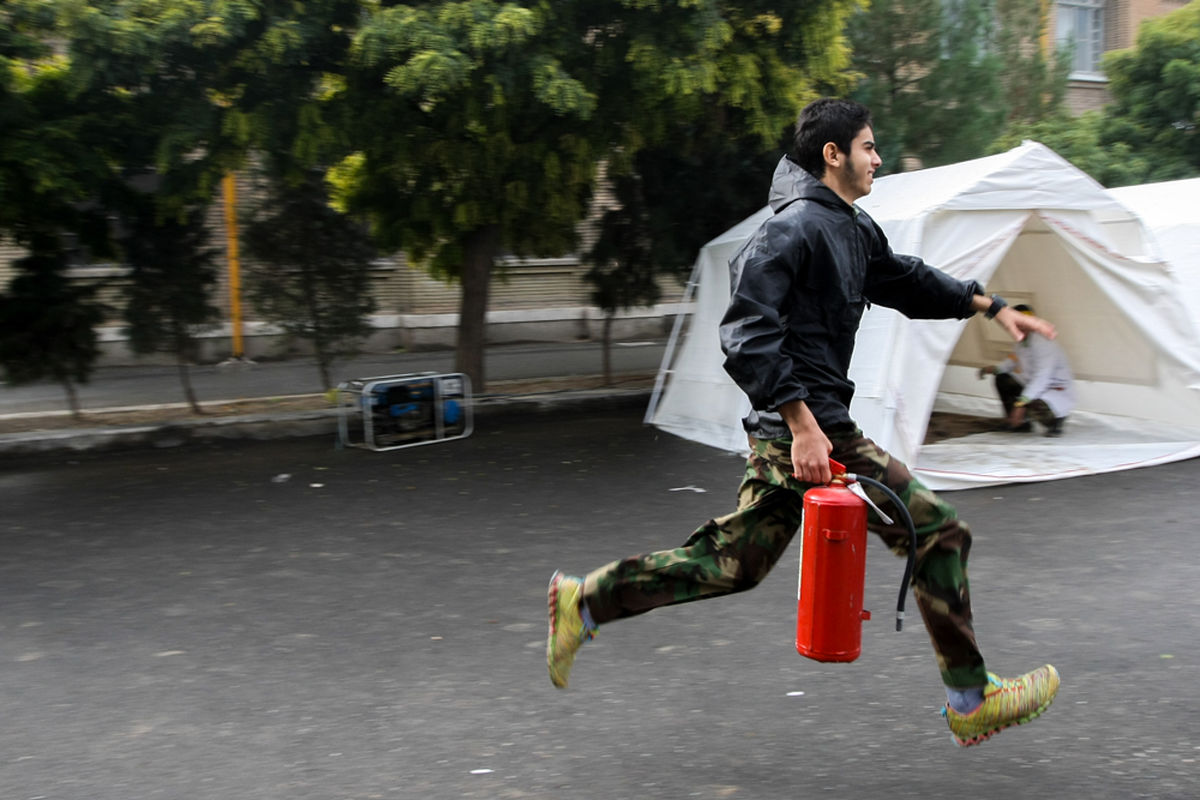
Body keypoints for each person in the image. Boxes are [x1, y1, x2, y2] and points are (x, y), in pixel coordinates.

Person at [546, 98, 1060, 747]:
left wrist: (992, 306)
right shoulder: (791, 227)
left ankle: (584, 601)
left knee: (735, 564)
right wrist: (803, 425)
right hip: (813, 425)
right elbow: (745, 330)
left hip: (804, 426)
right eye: (869, 147)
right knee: (937, 530)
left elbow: (905, 279)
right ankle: (970, 698)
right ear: (833, 154)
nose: (878, 158)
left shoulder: (849, 226)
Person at [978, 304, 1074, 436]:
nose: (1021, 327)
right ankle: (1020, 423)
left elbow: (1042, 377)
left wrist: (1020, 404)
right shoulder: (1021, 342)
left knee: (1036, 405)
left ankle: (1056, 422)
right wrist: (995, 369)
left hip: (1053, 388)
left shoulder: (1044, 343)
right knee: (1003, 379)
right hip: (1033, 385)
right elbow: (1013, 360)